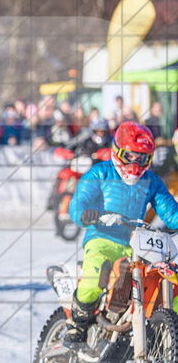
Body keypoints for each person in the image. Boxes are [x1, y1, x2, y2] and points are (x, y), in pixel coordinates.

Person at [64, 122, 178, 345]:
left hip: (137, 244)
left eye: (142, 158)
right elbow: (79, 200)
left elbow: (170, 211)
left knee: (165, 279)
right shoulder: (101, 172)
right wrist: (84, 213)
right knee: (94, 276)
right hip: (101, 238)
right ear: (117, 150)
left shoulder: (151, 181)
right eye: (131, 156)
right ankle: (76, 325)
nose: (135, 164)